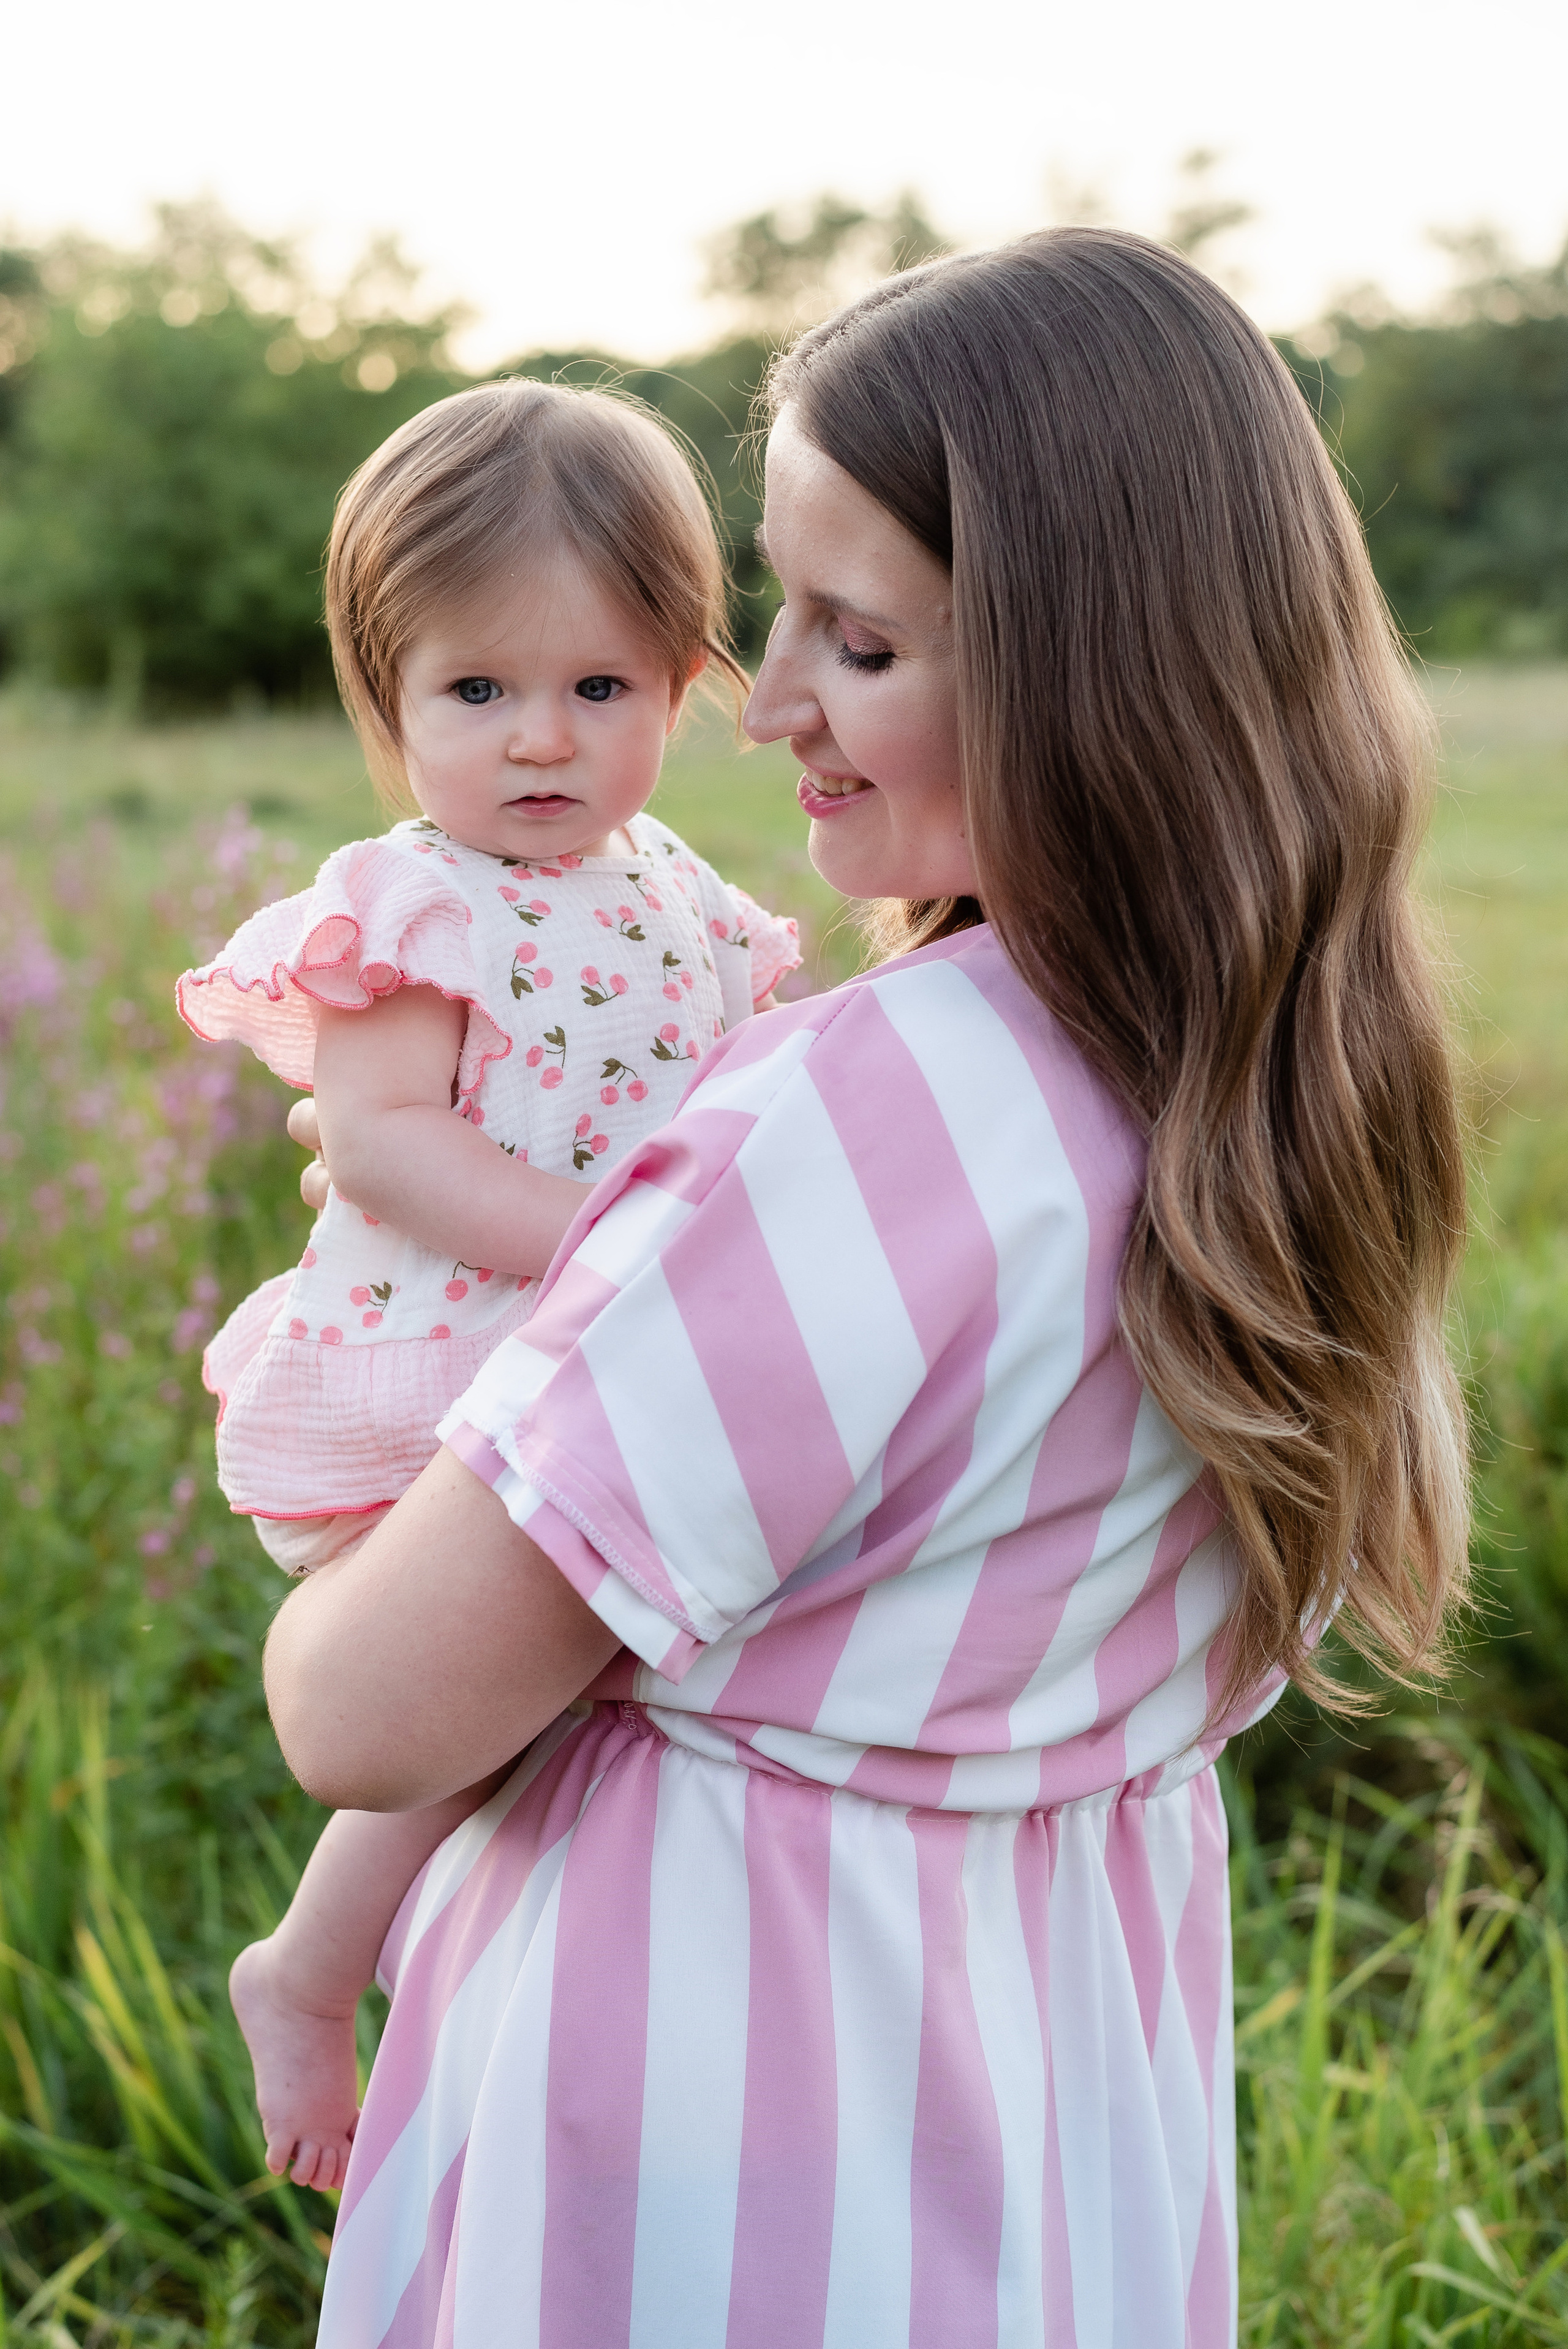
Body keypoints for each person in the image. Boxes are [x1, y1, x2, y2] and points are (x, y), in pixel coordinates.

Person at [261, 229, 1470, 2348]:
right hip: (1055, 2101)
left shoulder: (869, 1108)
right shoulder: (1288, 1079)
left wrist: (398, 1454)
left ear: (1095, 664)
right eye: (779, 616)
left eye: (867, 640)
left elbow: (361, 1710)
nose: (780, 704)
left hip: (714, 2128)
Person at [175, 379, 799, 2189]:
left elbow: (740, 1081)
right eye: (476, 692)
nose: (541, 740)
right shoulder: (421, 899)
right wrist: (624, 1243)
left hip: (579, 1363)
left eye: (599, 688)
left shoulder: (676, 887)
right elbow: (379, 1146)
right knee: (503, 1673)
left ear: (685, 684)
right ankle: (307, 1964)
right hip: (439, 1372)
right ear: (391, 699)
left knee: (580, 1699)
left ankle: (505, 2017)